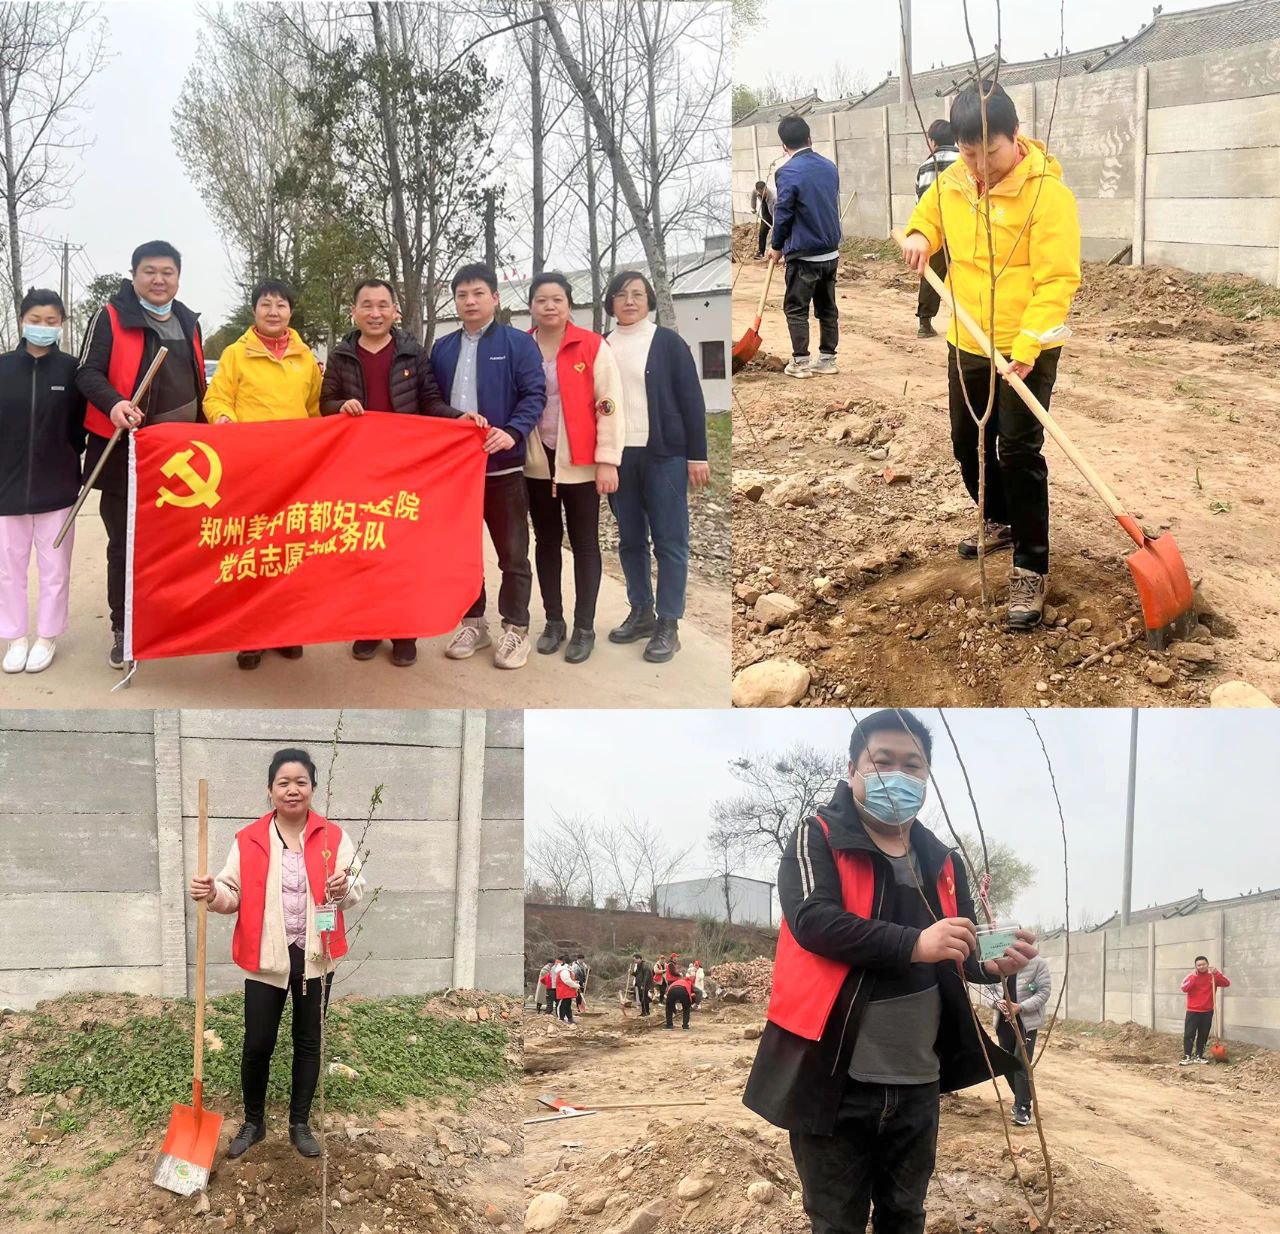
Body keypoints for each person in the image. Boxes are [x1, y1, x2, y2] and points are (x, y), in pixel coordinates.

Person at [743, 708, 1038, 1234]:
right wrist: (915, 943)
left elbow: (958, 951)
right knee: (836, 1221)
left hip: (917, 1083)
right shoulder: (819, 835)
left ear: (926, 776)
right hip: (834, 1075)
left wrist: (991, 965)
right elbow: (814, 921)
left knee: (906, 1216)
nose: (897, 776)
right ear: (853, 768)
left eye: (913, 765)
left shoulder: (942, 859)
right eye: (882, 762)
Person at [901, 81, 1081, 632]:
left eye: (991, 153)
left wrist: (1026, 347)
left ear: (1016, 136)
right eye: (971, 154)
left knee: (1019, 452)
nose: (981, 167)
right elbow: (927, 215)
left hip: (1027, 343)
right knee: (968, 442)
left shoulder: (1047, 196)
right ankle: (1000, 520)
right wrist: (917, 234)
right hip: (967, 340)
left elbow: (1057, 281)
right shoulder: (954, 182)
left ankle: (1031, 564)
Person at [188, 748, 366, 1159]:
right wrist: (212, 892)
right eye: (283, 783)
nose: (292, 790)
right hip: (265, 958)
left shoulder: (333, 837)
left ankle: (300, 1124)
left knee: (308, 1041)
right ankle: (253, 1122)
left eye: (301, 782)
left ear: (313, 788)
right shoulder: (248, 839)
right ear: (270, 790)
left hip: (316, 956)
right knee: (258, 1043)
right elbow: (230, 893)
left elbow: (356, 885)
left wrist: (342, 888)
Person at [321, 277, 486, 668]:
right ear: (354, 311)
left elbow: (429, 401)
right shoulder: (341, 355)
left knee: (402, 553)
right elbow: (324, 402)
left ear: (395, 311)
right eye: (367, 305)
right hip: (358, 471)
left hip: (406, 471)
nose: (375, 313)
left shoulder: (413, 353)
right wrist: (340, 405)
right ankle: (368, 626)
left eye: (383, 305)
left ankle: (403, 632)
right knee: (364, 550)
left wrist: (459, 419)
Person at [77, 241, 207, 669]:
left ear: (178, 278)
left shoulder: (188, 321)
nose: (158, 279)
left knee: (177, 544)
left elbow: (198, 385)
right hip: (125, 453)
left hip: (181, 459)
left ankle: (169, 620)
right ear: (134, 275)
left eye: (167, 272)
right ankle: (124, 628)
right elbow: (87, 372)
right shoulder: (112, 316)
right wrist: (114, 403)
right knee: (125, 546)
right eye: (149, 271)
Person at [432, 263, 545, 671]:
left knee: (513, 554)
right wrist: (451, 417)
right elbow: (431, 403)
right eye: (462, 295)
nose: (470, 301)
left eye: (478, 293)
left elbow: (534, 395)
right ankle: (473, 623)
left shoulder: (517, 344)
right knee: (463, 555)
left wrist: (513, 432)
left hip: (502, 470)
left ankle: (516, 629)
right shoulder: (442, 349)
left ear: (495, 298)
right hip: (457, 474)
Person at [205, 279, 322, 671]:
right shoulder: (236, 355)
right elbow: (217, 396)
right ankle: (250, 634)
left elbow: (315, 408)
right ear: (254, 310)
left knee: (290, 552)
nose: (274, 311)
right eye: (266, 304)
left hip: (294, 471)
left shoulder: (305, 358)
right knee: (251, 553)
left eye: (281, 305)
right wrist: (223, 418)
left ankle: (286, 630)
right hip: (250, 468)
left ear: (291, 311)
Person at [603, 271, 709, 663]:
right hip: (619, 458)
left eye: (637, 294)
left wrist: (698, 455)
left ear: (649, 300)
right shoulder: (602, 347)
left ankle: (669, 623)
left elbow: (692, 400)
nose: (629, 301)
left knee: (669, 541)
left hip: (665, 456)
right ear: (610, 303)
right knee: (630, 540)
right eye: (621, 295)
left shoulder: (667, 343)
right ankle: (641, 611)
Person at [524, 272, 625, 664]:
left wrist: (607, 461)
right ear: (531, 306)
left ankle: (584, 627)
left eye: (557, 300)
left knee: (584, 545)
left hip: (581, 463)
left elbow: (609, 405)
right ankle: (554, 620)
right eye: (541, 300)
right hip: (536, 462)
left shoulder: (592, 346)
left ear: (569, 305)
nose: (549, 306)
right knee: (546, 542)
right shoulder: (523, 347)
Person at [0, 289, 84, 675]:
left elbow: (80, 426)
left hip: (58, 488)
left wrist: (68, 460)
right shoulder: (2, 368)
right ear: (22, 320)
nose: (43, 327)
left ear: (61, 325)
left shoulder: (71, 370)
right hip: (6, 487)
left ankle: (47, 636)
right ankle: (15, 637)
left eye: (52, 321)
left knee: (54, 570)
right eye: (36, 319)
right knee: (8, 569)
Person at [770, 115, 841, 379]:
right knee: (827, 307)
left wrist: (776, 246)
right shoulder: (829, 167)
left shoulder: (786, 172)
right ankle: (827, 358)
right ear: (810, 138)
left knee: (796, 307)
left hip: (803, 254)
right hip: (830, 251)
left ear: (783, 146)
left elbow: (784, 213)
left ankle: (800, 362)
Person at [990, 952, 1051, 1125]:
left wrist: (1021, 1007)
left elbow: (1044, 992)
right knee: (1006, 1062)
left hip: (1026, 1023)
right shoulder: (998, 963)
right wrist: (997, 1003)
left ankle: (1023, 1107)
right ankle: (1023, 1098)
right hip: (1004, 1022)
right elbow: (990, 990)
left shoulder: (1037, 964)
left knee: (1021, 1062)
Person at [912, 119, 960, 339]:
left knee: (932, 276)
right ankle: (966, 322)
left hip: (934, 232)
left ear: (933, 142)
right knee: (965, 275)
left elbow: (920, 203)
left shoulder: (924, 166)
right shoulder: (964, 160)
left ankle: (925, 322)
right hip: (962, 230)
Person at [1180, 956, 1229, 1065]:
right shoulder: (1191, 976)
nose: (1201, 966)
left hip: (1207, 1011)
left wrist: (1217, 974)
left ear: (1207, 964)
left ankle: (1199, 1055)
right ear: (1196, 966)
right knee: (1189, 1034)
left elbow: (1226, 983)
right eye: (1199, 965)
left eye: (1203, 964)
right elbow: (1184, 988)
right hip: (1193, 1010)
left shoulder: (1212, 976)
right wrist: (1193, 977)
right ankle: (1187, 1056)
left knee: (1203, 1034)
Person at [750, 178, 776, 258]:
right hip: (765, 207)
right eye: (761, 193)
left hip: (774, 209)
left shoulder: (774, 197)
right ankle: (761, 252)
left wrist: (775, 225)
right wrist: (753, 208)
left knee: (775, 231)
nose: (763, 194)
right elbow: (753, 198)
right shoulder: (755, 190)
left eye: (764, 192)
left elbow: (775, 213)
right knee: (762, 231)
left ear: (766, 188)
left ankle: (775, 251)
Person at [553, 953, 579, 1023]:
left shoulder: (566, 969)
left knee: (567, 1006)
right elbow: (567, 980)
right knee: (562, 1006)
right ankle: (560, 1019)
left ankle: (569, 1018)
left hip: (567, 991)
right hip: (563, 991)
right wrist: (575, 985)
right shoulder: (564, 970)